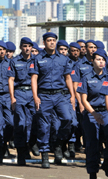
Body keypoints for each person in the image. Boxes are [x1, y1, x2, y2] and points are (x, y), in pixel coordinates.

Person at [29, 32, 75, 168]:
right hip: (44, 95)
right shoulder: (37, 59)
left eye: (54, 40)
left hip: (60, 96)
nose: (51, 42)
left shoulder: (63, 59)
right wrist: (35, 96)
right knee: (44, 126)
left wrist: (72, 95)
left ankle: (58, 142)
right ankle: (44, 154)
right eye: (49, 40)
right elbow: (34, 79)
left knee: (67, 119)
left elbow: (68, 78)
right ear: (44, 42)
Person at [78, 49, 108, 179]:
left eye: (103, 59)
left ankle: (107, 162)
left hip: (106, 112)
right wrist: (93, 113)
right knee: (93, 143)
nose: (101, 62)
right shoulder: (86, 77)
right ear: (92, 61)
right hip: (92, 114)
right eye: (98, 59)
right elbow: (83, 99)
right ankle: (93, 172)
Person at [8, 37, 37, 165]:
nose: (27, 48)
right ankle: (21, 152)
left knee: (33, 123)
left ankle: (29, 145)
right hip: (19, 93)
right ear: (20, 47)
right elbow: (10, 80)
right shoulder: (14, 61)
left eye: (29, 46)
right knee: (20, 123)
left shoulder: (37, 61)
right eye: (24, 46)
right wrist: (12, 97)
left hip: (32, 93)